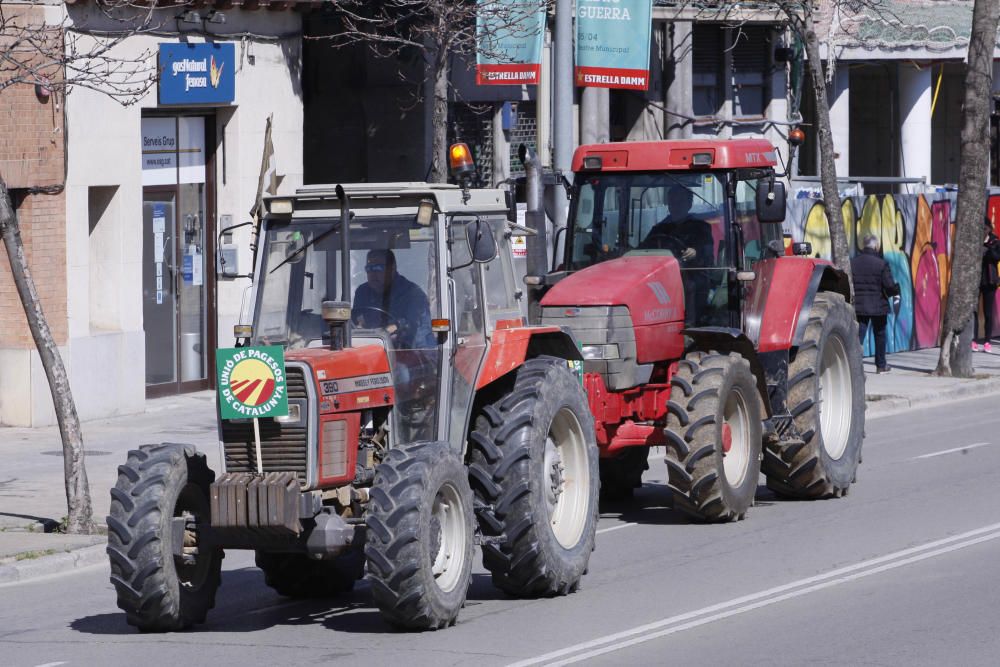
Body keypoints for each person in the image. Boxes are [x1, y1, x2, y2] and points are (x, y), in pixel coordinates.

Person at [640, 185, 714, 325]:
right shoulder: (659, 228)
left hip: (692, 273)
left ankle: (690, 325)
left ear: (689, 204)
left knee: (689, 285)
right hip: (660, 276)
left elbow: (708, 254)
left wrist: (695, 252)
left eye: (680, 201)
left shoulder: (701, 228)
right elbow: (644, 249)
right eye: (672, 201)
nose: (676, 205)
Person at [352, 249, 435, 348]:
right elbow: (357, 321)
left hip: (410, 353)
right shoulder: (362, 292)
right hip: (372, 350)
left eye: (378, 268)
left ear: (392, 269)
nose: (372, 273)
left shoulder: (413, 294)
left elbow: (414, 325)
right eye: (369, 268)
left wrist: (394, 328)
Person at [851, 234, 900, 373]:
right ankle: (881, 365)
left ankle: (853, 366)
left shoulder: (853, 263)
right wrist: (896, 289)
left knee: (858, 335)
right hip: (878, 305)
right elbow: (889, 286)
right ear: (876, 246)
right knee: (880, 335)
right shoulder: (881, 264)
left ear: (863, 245)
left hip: (860, 306)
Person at [973, 220, 1000, 352]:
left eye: (984, 228)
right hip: (975, 280)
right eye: (980, 228)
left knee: (988, 313)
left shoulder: (995, 241)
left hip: (989, 281)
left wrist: (987, 249)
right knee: (974, 312)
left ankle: (987, 342)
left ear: (989, 228)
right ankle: (974, 340)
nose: (982, 231)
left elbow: (997, 257)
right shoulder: (973, 241)